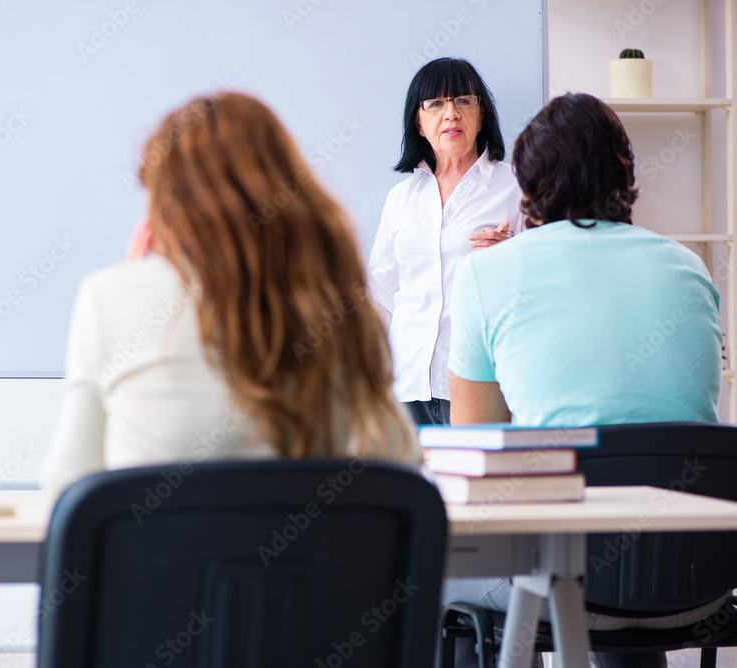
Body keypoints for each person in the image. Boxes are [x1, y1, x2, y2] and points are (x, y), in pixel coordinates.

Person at [445, 93, 723, 668]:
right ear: (624, 173)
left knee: (436, 568)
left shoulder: (485, 274)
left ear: (528, 186)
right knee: (621, 554)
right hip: (699, 582)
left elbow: (474, 450)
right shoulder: (687, 267)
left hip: (563, 587)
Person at [41, 92, 419, 492]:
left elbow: (68, 481)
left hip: (168, 555)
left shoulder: (108, 298)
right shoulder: (342, 305)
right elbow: (401, 465)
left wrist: (133, 288)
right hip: (313, 553)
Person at [368, 57, 524, 426]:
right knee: (413, 486)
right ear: (418, 124)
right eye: (435, 104)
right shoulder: (401, 199)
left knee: (479, 485)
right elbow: (381, 296)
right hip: (406, 386)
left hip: (480, 383)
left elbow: (549, 283)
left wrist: (513, 257)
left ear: (481, 115)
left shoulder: (518, 188)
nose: (451, 113)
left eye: (463, 101)